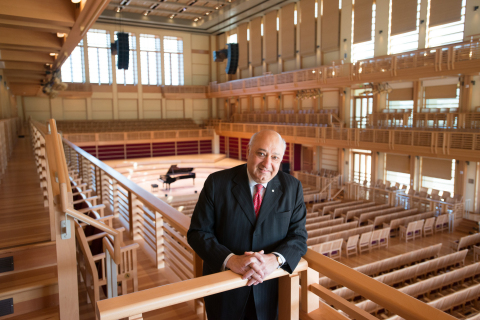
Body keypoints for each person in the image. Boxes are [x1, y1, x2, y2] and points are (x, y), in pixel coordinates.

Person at [187, 129, 308, 320]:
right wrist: (230, 259)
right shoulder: (217, 183)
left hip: (271, 291)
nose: (267, 163)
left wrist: (274, 259)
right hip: (225, 291)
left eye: (275, 157)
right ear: (248, 151)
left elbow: (299, 237)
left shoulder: (293, 188)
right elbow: (198, 233)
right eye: (261, 153)